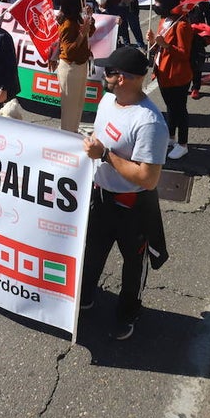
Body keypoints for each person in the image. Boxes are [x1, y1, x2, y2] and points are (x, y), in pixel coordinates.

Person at [79, 46, 169, 341]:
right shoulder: (108, 100)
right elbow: (99, 136)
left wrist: (105, 155)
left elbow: (148, 179)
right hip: (101, 196)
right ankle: (85, 297)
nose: (102, 75)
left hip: (132, 207)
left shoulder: (149, 122)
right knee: (91, 252)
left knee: (133, 266)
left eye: (108, 71)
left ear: (123, 78)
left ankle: (128, 313)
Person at [147, 0, 194, 159]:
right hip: (163, 72)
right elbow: (159, 45)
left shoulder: (182, 25)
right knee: (170, 108)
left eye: (158, 2)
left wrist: (165, 45)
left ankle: (183, 143)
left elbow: (184, 53)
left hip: (177, 75)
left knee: (179, 110)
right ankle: (171, 136)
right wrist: (153, 41)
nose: (156, 5)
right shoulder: (163, 20)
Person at [47, 0, 93, 132]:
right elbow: (69, 51)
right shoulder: (67, 24)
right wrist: (81, 35)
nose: (83, 3)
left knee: (78, 106)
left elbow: (90, 32)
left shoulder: (77, 18)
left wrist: (89, 18)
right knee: (69, 110)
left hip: (80, 65)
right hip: (70, 68)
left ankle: (73, 133)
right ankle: (67, 135)